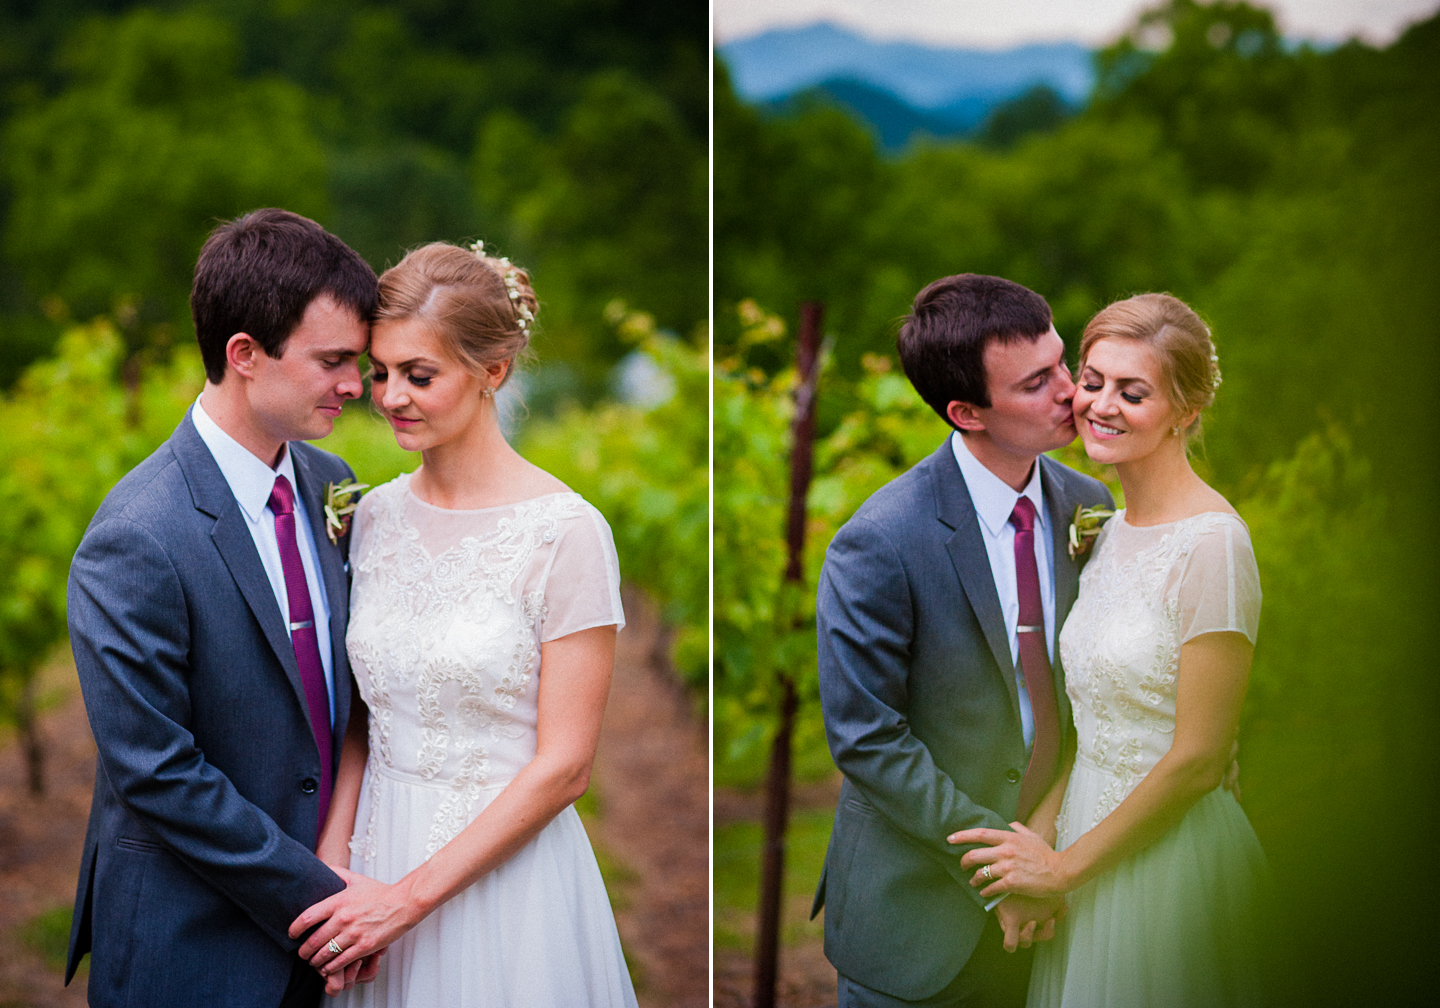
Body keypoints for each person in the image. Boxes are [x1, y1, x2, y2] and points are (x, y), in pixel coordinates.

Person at [285, 242, 637, 1007]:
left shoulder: (566, 533)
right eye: (380, 373)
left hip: (500, 879)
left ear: (493, 372)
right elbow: (362, 722)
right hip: (375, 854)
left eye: (420, 375)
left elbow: (566, 766)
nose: (390, 397)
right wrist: (336, 863)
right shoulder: (370, 516)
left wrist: (405, 902)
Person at [65, 208, 382, 1006]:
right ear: (244, 353)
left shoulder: (328, 480)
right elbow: (157, 771)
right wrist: (317, 896)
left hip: (336, 926)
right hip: (194, 944)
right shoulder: (137, 535)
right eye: (334, 361)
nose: (357, 385)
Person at [949, 293, 1267, 1007]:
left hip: (1169, 857)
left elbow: (1200, 758)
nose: (1101, 405)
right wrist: (1036, 852)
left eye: (1134, 392)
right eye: (1092, 381)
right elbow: (1088, 723)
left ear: (1186, 409)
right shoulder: (1106, 530)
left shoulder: (1214, 545)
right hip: (1085, 835)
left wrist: (1061, 872)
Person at [812, 274, 1115, 1007]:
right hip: (917, 920)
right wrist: (1005, 873)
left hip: (1070, 898)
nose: (1070, 393)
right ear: (965, 412)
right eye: (1036, 383)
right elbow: (868, 739)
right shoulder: (880, 541)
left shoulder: (1091, 504)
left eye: (1063, 364)